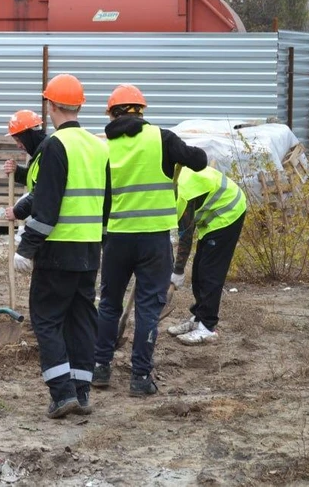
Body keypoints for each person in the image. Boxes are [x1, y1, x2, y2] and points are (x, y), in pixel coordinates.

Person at [92, 84, 207, 397]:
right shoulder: (162, 138)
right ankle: (140, 378)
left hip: (116, 239)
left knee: (109, 304)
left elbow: (99, 195)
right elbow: (199, 161)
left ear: (112, 114)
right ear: (141, 111)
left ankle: (100, 367)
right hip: (154, 240)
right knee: (147, 308)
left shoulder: (103, 147)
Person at [14, 74, 111, 419]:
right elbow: (106, 202)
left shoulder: (56, 146)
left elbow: (47, 205)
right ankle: (82, 393)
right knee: (82, 319)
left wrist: (25, 248)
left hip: (57, 251)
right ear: (79, 105)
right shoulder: (99, 146)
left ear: (50, 106)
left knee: (46, 319)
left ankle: (61, 393)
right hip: (89, 251)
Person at [168, 165, 247, 345]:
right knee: (198, 270)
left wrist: (178, 272)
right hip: (212, 217)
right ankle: (198, 319)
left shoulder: (183, 195)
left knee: (210, 273)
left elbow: (185, 238)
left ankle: (207, 327)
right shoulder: (169, 183)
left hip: (228, 211)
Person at [2, 109, 47, 223]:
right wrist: (17, 172)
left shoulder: (47, 152)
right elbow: (36, 179)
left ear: (28, 136)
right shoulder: (40, 153)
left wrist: (17, 211)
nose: (18, 146)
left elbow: (42, 191)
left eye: (18, 140)